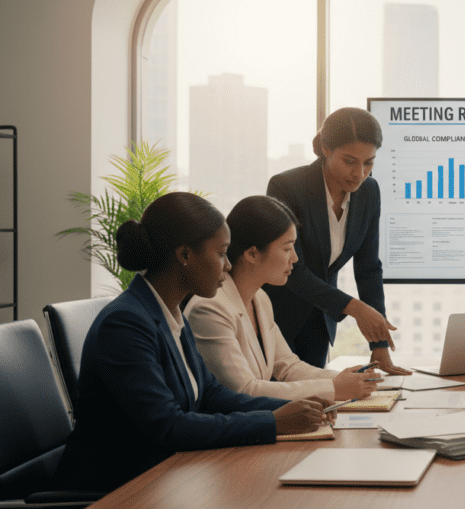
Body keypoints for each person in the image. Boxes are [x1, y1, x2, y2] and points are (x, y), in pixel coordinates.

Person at [55, 192, 334, 492]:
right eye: (222, 253)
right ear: (185, 255)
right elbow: (168, 426)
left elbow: (211, 395)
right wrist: (273, 422)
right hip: (117, 489)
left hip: (168, 477)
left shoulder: (170, 311)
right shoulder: (125, 323)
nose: (228, 266)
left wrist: (295, 409)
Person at [185, 195, 381, 401]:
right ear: (252, 254)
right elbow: (245, 391)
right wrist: (335, 387)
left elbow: (289, 367)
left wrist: (350, 379)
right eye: (287, 249)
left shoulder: (260, 299)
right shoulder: (209, 309)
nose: (295, 258)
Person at [264, 107, 409, 373]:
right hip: (277, 317)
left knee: (318, 405)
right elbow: (291, 268)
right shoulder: (287, 187)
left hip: (319, 321)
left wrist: (379, 345)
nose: (360, 174)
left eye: (369, 162)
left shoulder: (369, 192)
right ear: (325, 148)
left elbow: (368, 268)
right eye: (350, 161)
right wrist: (353, 307)